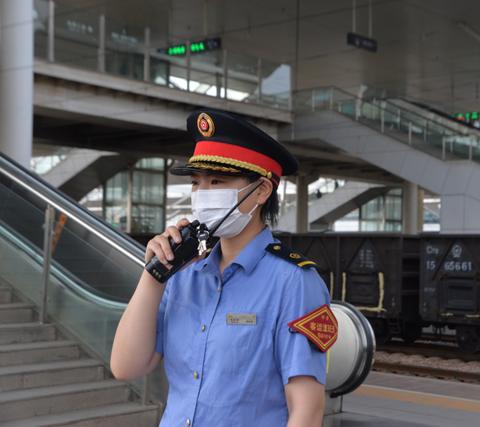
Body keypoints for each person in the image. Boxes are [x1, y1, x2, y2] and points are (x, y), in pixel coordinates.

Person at [110, 109, 337, 427]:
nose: (203, 194)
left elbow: (307, 411)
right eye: (196, 182)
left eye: (218, 181)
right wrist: (154, 277)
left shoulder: (295, 282)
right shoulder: (183, 274)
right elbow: (125, 367)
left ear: (261, 190)